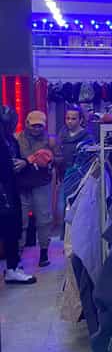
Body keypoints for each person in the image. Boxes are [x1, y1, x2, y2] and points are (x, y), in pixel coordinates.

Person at [15, 110, 58, 268]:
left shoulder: (50, 139)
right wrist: (29, 160)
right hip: (22, 185)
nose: (36, 129)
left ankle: (44, 253)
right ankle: (17, 257)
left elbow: (60, 158)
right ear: (27, 123)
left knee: (44, 220)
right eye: (34, 125)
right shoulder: (17, 138)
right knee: (21, 221)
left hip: (41, 183)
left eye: (40, 126)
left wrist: (50, 159)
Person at [0, 106, 36, 284]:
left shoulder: (10, 140)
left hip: (10, 189)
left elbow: (17, 160)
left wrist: (23, 163)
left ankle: (12, 268)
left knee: (12, 229)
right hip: (4, 189)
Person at [56, 104, 94, 179]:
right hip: (62, 175)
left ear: (81, 120)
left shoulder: (87, 137)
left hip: (80, 176)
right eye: (67, 118)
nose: (69, 121)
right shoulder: (61, 135)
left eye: (73, 119)